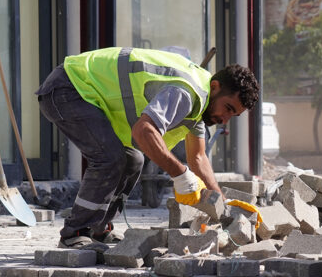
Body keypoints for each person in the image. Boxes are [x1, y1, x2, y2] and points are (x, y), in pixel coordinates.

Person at [36, 47, 260, 249]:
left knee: (134, 160)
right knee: (110, 158)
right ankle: (74, 232)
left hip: (85, 94)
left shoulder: (201, 107)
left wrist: (221, 202)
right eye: (228, 108)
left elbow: (198, 158)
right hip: (69, 88)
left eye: (234, 114)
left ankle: (99, 228)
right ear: (215, 87)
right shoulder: (186, 92)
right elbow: (144, 131)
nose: (225, 119)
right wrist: (180, 175)